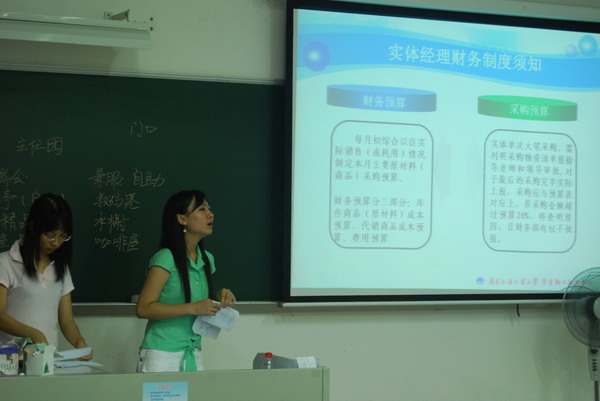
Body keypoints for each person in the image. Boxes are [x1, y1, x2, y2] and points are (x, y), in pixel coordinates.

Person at [136, 190, 236, 372]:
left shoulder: (207, 258)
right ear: (182, 219)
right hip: (162, 353)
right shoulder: (166, 258)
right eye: (201, 209)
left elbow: (199, 302)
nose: (210, 214)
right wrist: (193, 308)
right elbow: (143, 308)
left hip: (193, 350)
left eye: (209, 208)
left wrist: (219, 297)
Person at [0, 193, 92, 359]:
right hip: (10, 359)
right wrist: (29, 332)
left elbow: (66, 321)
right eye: (50, 235)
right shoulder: (6, 262)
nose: (56, 242)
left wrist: (79, 341)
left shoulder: (61, 268)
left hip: (46, 360)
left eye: (63, 236)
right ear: (33, 227)